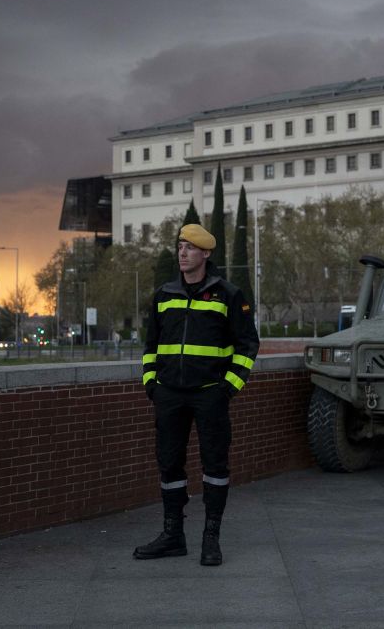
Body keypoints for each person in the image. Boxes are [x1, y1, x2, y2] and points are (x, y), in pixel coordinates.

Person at [134, 223, 260, 566]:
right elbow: (150, 346)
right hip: (169, 395)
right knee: (169, 464)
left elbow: (248, 345)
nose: (182, 253)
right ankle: (173, 536)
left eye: (189, 248)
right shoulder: (164, 294)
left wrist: (228, 388)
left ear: (205, 254)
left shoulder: (228, 295)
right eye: (180, 247)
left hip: (210, 395)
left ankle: (211, 539)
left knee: (215, 466)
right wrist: (151, 384)